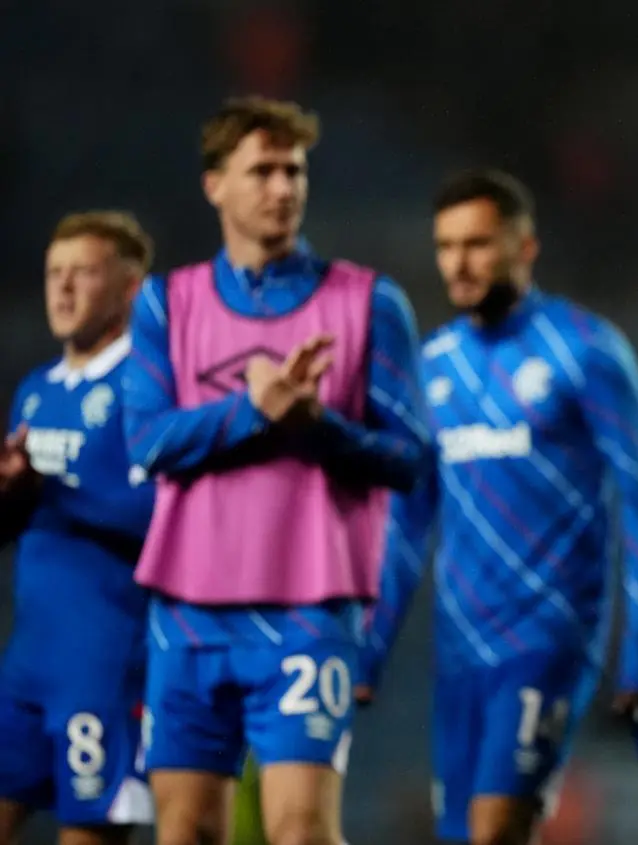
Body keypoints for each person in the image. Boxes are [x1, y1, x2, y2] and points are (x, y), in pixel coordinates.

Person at [122, 96, 428, 845]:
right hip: (187, 614)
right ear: (215, 184)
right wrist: (255, 411)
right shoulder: (167, 303)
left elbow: (409, 458)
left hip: (306, 611)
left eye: (294, 170)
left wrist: (312, 424)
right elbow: (147, 442)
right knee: (185, 829)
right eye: (262, 170)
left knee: (300, 830)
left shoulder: (368, 302)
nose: (283, 187)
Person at [356, 169, 638, 845]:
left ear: (524, 246)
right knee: (460, 832)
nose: (459, 262)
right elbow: (409, 519)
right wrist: (372, 646)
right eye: (446, 246)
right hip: (461, 645)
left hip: (550, 637)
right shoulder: (433, 364)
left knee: (497, 826)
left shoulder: (585, 350)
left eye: (477, 243)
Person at [0, 211, 157, 845]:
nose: (61, 290)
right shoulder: (37, 390)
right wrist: (11, 494)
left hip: (106, 662)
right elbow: (23, 521)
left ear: (130, 289)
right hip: (28, 660)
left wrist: (56, 491)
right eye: (53, 274)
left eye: (83, 274)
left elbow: (162, 516)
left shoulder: (148, 386)